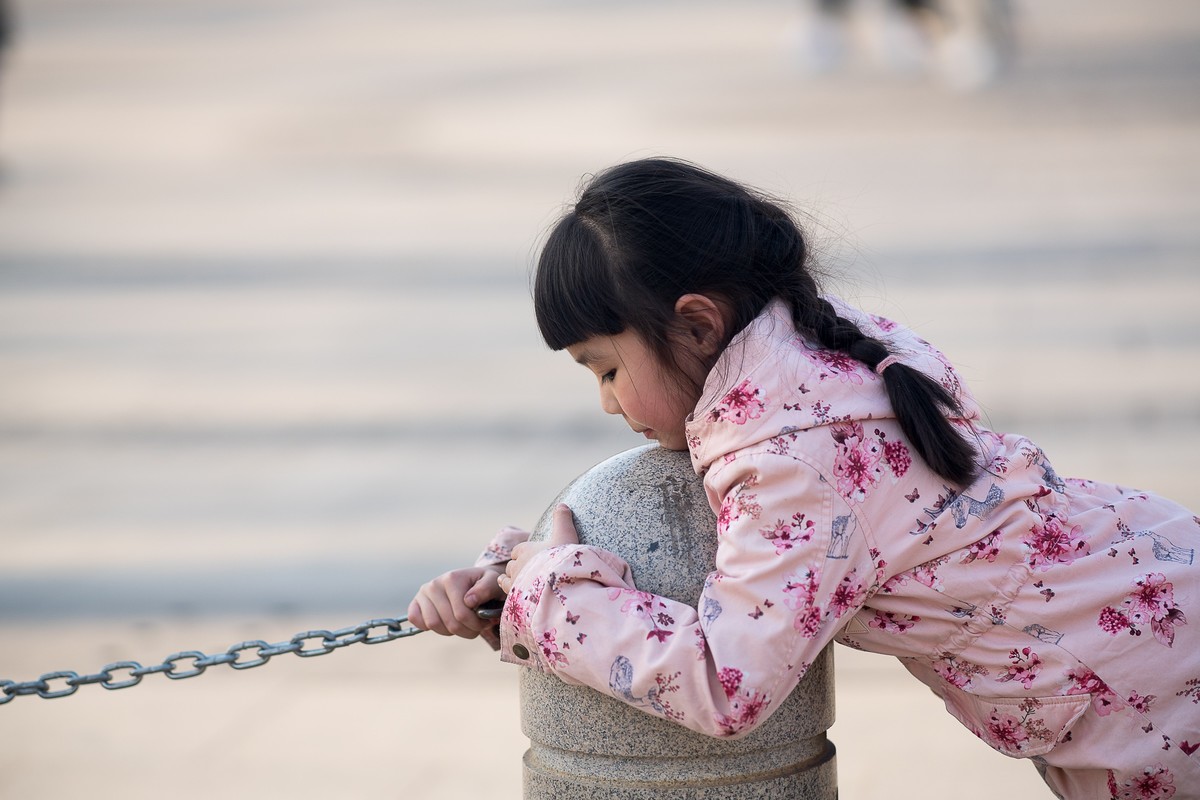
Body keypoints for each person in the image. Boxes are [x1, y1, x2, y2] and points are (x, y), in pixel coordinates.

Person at [408, 158, 1198, 798]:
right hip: (1147, 611)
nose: (608, 403)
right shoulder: (820, 360)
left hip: (1150, 695)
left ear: (696, 324)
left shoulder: (790, 461)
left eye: (607, 369)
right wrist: (518, 581)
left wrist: (551, 595)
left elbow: (726, 684)